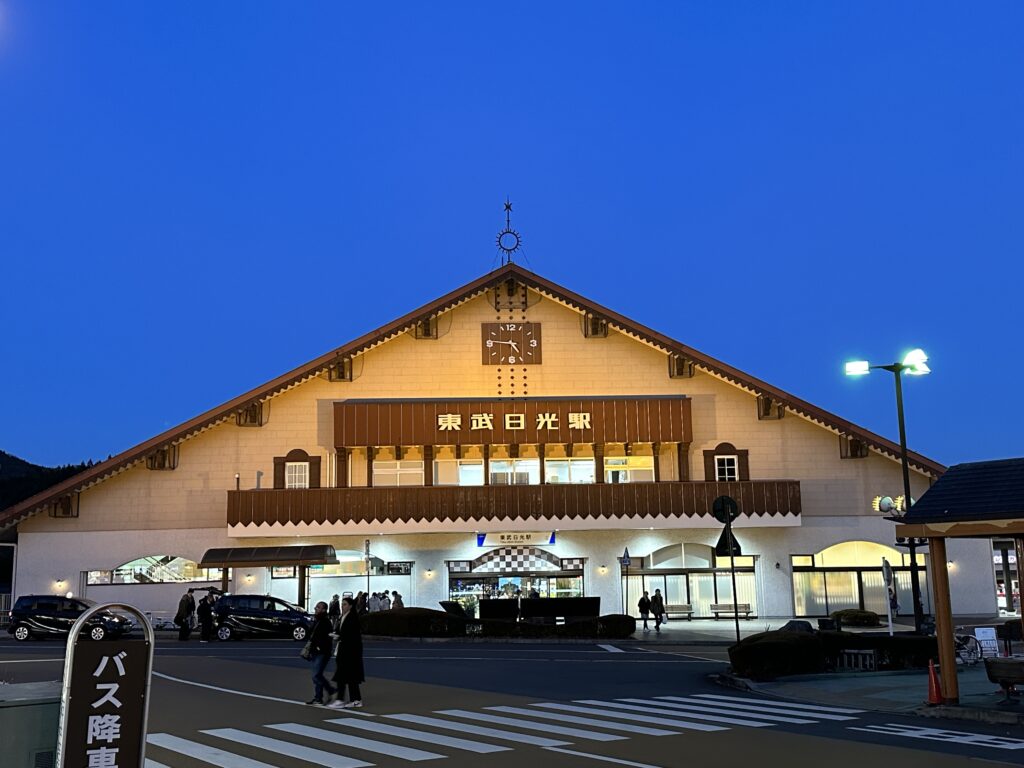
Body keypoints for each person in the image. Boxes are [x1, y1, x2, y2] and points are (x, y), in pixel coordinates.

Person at [328, 596, 365, 709]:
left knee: (342, 676)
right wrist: (337, 635)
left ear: (350, 606)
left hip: (349, 652)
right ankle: (356, 699)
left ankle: (341, 699)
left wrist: (338, 636)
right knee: (350, 677)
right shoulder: (344, 617)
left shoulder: (352, 618)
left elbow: (352, 636)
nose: (342, 606)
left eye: (344, 604)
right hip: (345, 650)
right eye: (342, 604)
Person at [306, 601, 337, 706]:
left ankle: (331, 690)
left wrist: (319, 647)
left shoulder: (326, 622)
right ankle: (318, 698)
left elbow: (327, 638)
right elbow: (311, 633)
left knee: (316, 675)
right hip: (316, 651)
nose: (316, 609)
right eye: (316, 607)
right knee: (317, 674)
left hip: (322, 652)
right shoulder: (317, 620)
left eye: (318, 607)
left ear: (324, 610)